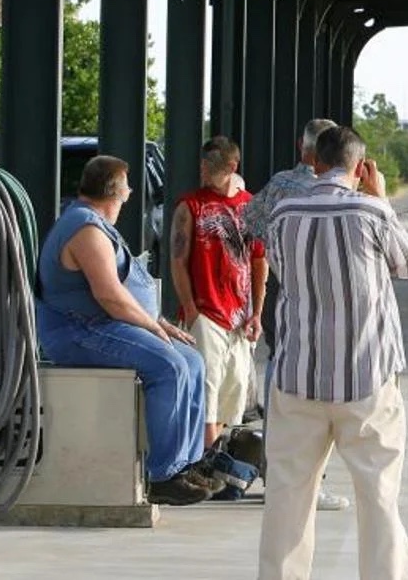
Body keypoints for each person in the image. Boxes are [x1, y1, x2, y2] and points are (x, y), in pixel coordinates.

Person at [258, 126, 408, 580]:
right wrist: (382, 198)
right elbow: (407, 263)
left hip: (297, 378)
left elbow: (280, 269)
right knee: (378, 496)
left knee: (288, 497)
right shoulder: (372, 212)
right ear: (360, 167)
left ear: (314, 162)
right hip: (366, 378)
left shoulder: (283, 213)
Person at [34, 155, 217, 506]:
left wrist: (158, 322)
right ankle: (164, 474)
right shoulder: (85, 230)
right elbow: (108, 296)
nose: (131, 193)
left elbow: (121, 296)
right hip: (80, 331)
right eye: (128, 186)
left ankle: (186, 464)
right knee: (169, 366)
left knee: (192, 361)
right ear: (115, 192)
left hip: (104, 324)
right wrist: (151, 325)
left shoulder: (93, 223)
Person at [243, 117, 350, 512]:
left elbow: (250, 223)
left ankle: (277, 476)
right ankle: (310, 484)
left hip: (282, 293)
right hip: (324, 299)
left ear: (301, 146)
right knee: (317, 392)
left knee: (279, 374)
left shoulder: (281, 183)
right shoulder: (335, 190)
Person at [170, 136, 267, 451]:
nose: (203, 171)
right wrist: (190, 308)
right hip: (205, 312)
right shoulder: (190, 206)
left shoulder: (250, 207)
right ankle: (207, 461)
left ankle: (210, 454)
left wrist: (256, 312)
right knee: (207, 390)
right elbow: (178, 261)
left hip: (238, 316)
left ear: (231, 166)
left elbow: (258, 261)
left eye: (210, 166)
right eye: (201, 164)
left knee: (233, 393)